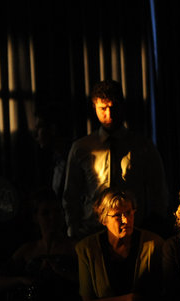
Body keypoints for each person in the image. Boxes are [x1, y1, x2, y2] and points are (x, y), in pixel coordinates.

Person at [63, 80, 170, 240]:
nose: (109, 114)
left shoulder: (142, 146)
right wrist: (73, 229)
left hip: (133, 230)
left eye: (113, 107)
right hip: (92, 231)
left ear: (122, 106)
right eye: (103, 108)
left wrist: (155, 224)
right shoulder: (82, 148)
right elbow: (71, 193)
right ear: (94, 107)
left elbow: (158, 190)